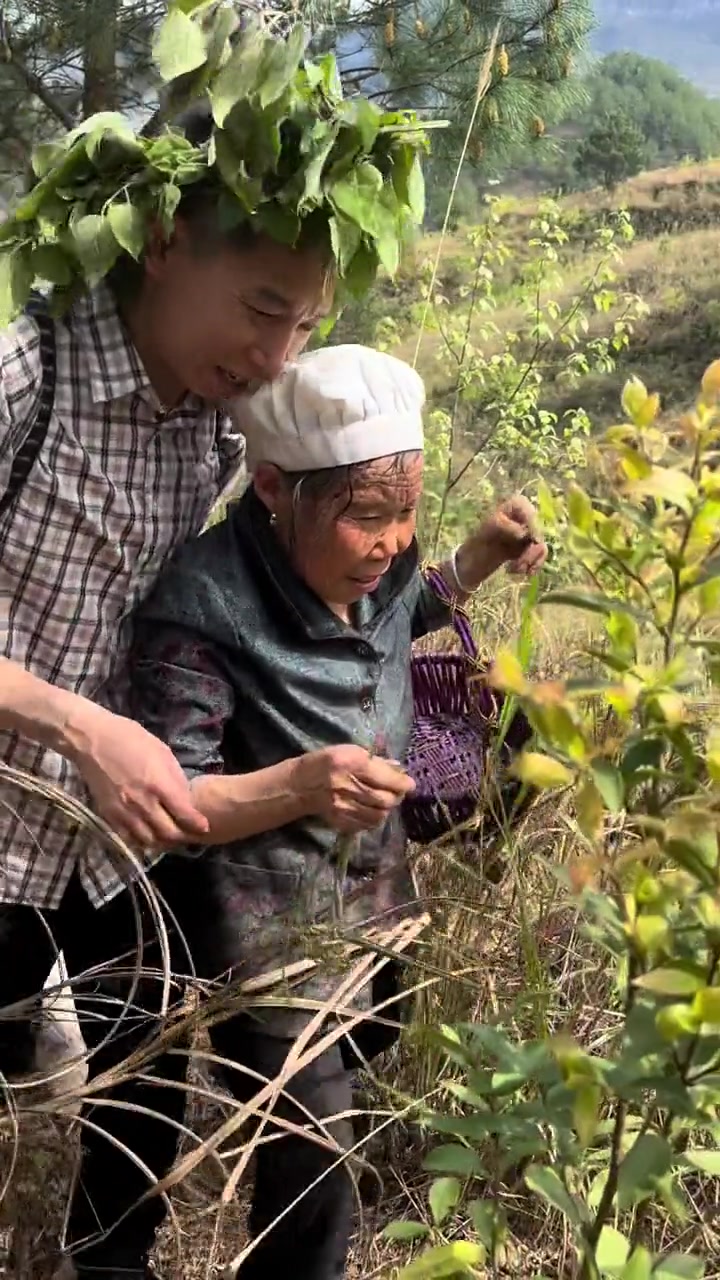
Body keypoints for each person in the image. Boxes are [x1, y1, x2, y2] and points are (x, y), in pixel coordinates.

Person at [0, 14, 431, 1275]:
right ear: (167, 239)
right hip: (11, 832)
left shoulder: (212, 427)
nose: (274, 356)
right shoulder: (23, 375)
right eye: (260, 310)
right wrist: (78, 723)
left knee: (135, 1108)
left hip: (108, 852)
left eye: (302, 329)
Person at [72, 343, 544, 1280]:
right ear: (276, 487)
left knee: (353, 1074)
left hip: (371, 902)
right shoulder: (201, 607)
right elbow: (171, 798)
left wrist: (477, 559)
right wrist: (299, 785)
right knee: (316, 1147)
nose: (392, 541)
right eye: (367, 516)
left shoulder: (365, 571)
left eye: (407, 514)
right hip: (264, 927)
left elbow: (397, 611)